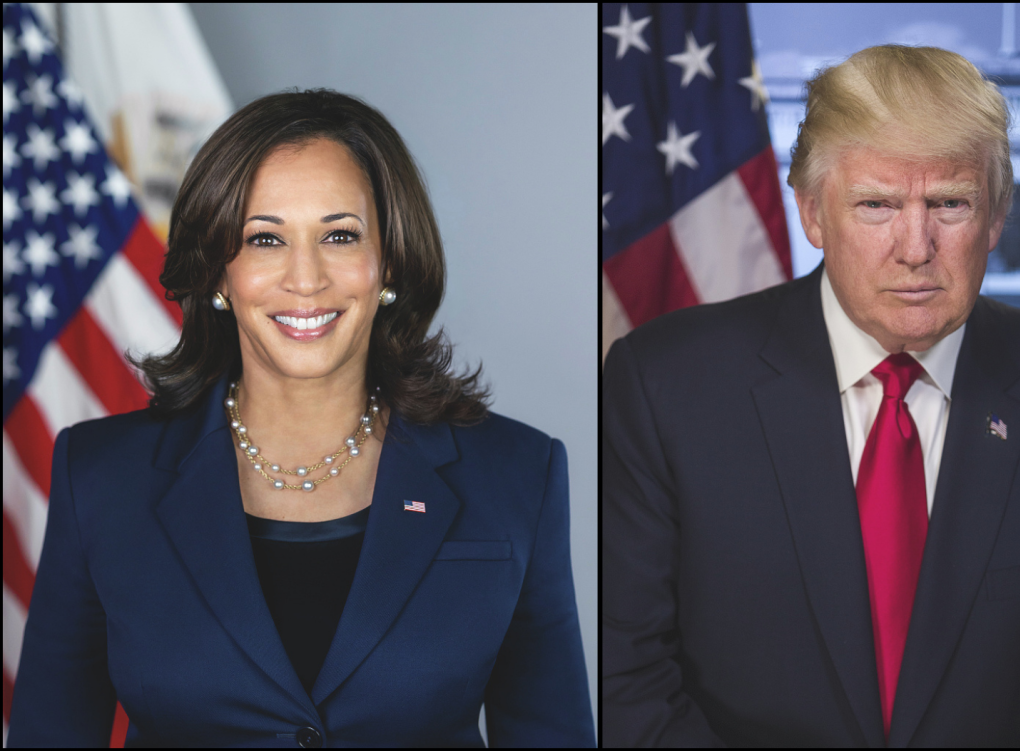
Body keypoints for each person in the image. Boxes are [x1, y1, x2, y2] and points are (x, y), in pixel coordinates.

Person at [602, 45, 1020, 747]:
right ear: (813, 213)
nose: (915, 246)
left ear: (996, 217)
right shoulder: (664, 386)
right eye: (876, 204)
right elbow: (627, 675)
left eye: (950, 204)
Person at [8, 88, 595, 748]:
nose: (306, 277)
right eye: (265, 239)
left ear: (389, 261)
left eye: (339, 235)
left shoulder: (518, 474)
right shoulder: (100, 478)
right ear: (220, 274)